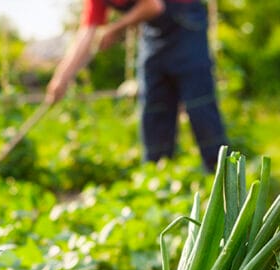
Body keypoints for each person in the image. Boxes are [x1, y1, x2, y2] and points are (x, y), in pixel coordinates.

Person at [46, 0, 228, 171]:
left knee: (199, 107)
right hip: (153, 35)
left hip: (187, 25)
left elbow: (153, 5)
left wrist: (115, 28)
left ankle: (219, 175)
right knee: (154, 108)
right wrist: (61, 79)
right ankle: (157, 176)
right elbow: (87, 33)